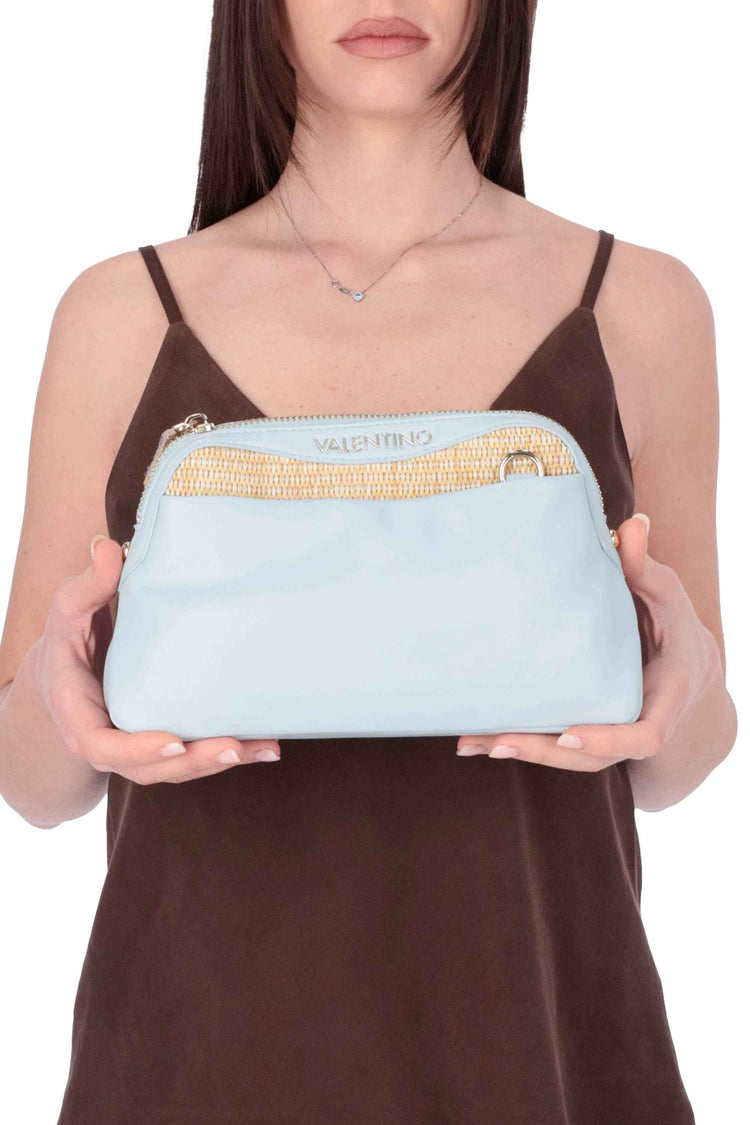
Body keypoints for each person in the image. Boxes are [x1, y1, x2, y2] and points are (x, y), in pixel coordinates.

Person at [0, 2, 737, 1122]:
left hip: (540, 1049)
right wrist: (58, 694)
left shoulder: (641, 303)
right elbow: (31, 785)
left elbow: (676, 764)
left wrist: (688, 680)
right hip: (193, 1062)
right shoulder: (120, 312)